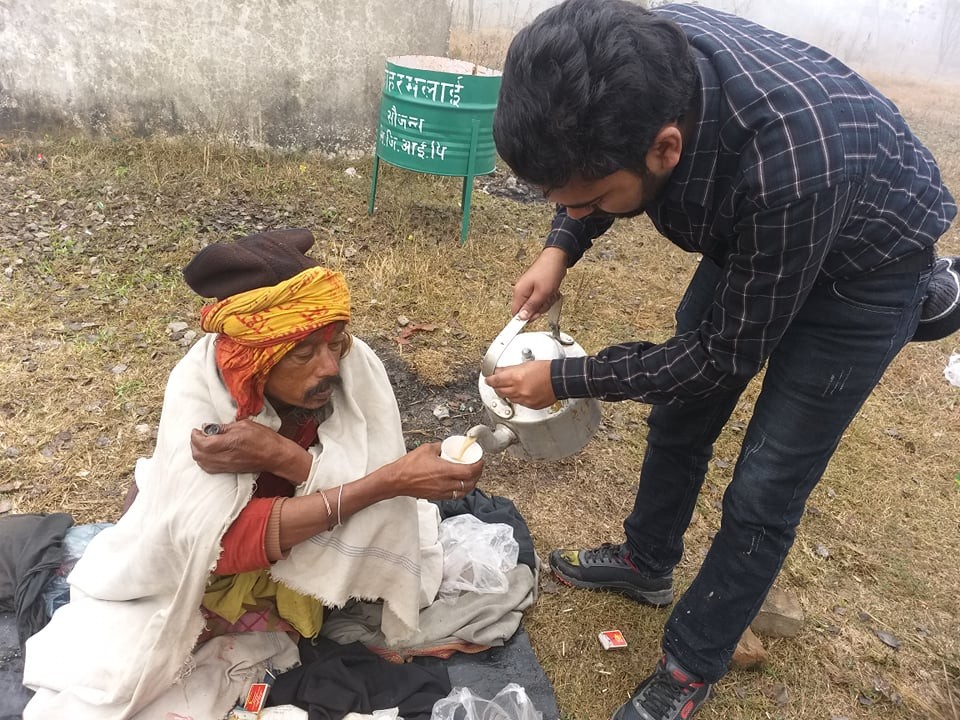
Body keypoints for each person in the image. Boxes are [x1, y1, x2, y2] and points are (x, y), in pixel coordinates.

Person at [485, 2, 958, 719]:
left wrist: (564, 378)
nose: (578, 211)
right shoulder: (640, 58)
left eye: (591, 201)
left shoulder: (785, 166)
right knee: (682, 417)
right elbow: (588, 172)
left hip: (862, 268)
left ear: (665, 150)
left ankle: (693, 662)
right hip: (761, 233)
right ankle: (648, 562)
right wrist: (561, 246)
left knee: (766, 486)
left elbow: (712, 358)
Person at [22, 229, 483, 719]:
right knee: (128, 668)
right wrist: (389, 481)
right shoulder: (205, 396)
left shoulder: (353, 367)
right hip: (211, 562)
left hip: (296, 534)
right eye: (304, 353)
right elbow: (220, 542)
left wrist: (284, 457)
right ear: (253, 360)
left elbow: (372, 483)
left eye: (335, 342)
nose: (329, 366)